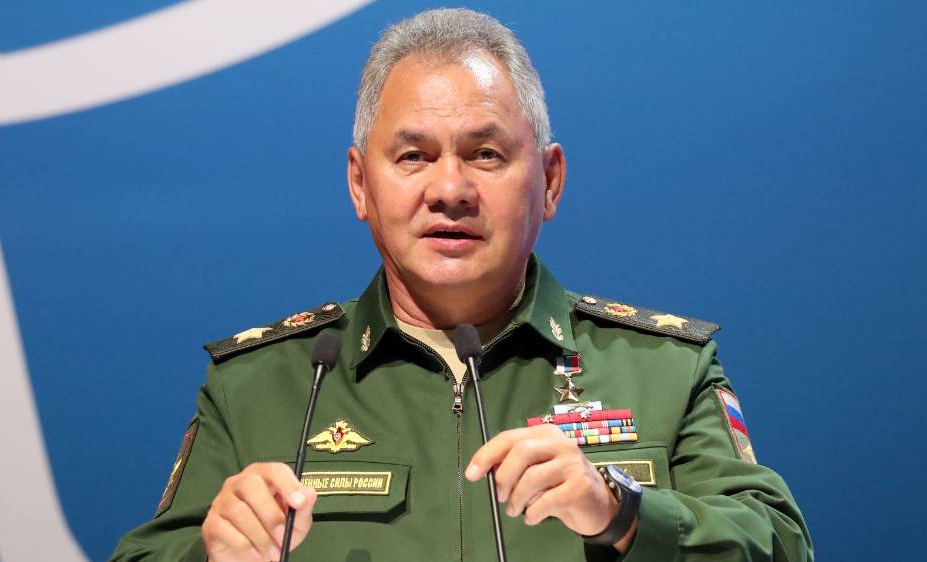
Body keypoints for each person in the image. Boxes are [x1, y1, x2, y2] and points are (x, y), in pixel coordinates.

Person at [110, 8, 812, 562]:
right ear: (360, 184)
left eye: (486, 154)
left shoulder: (662, 371)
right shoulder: (260, 387)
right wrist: (211, 554)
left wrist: (621, 512)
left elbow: (780, 545)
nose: (450, 189)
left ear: (550, 181)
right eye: (413, 156)